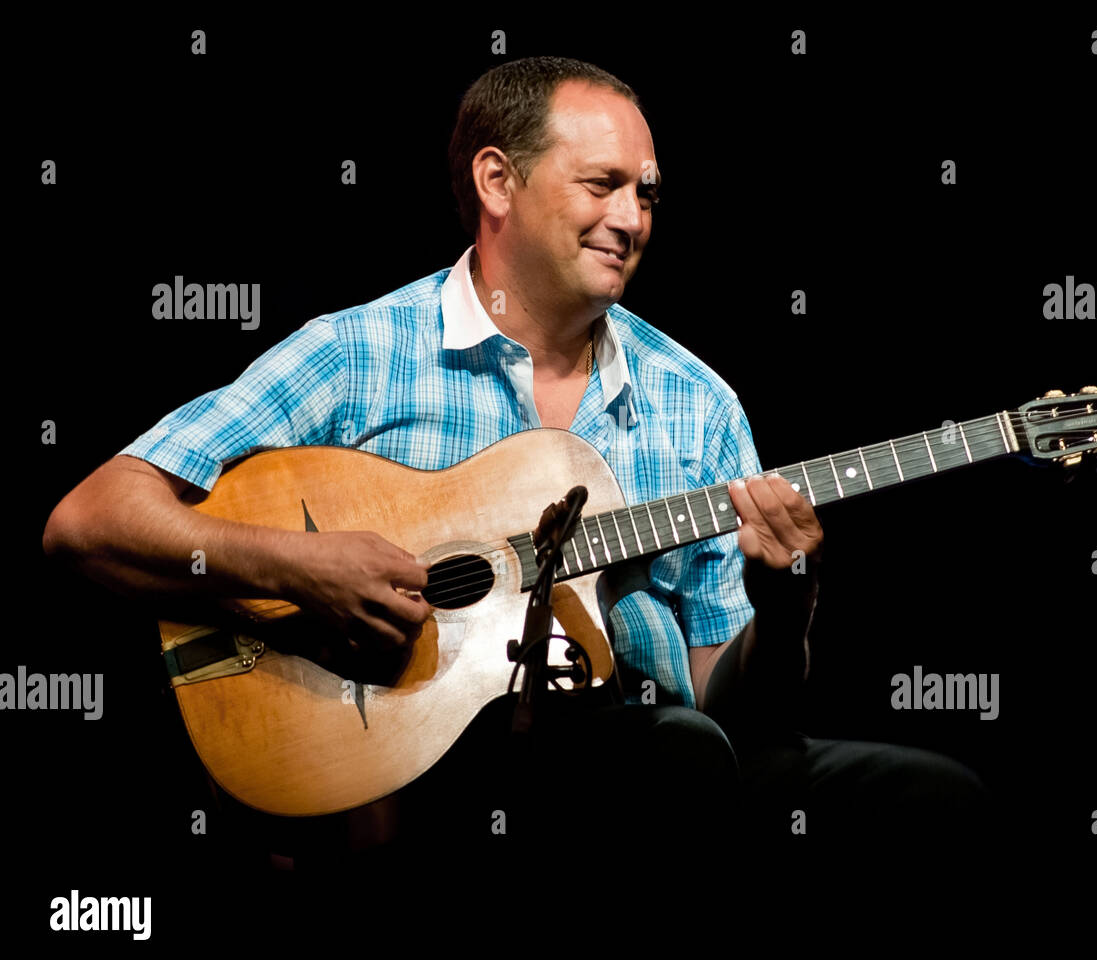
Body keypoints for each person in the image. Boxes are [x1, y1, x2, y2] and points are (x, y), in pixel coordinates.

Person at [42, 57, 988, 875]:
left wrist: (783, 607)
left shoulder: (697, 402)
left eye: (648, 193)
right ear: (498, 180)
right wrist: (301, 567)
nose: (633, 217)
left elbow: (727, 702)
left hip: (659, 763)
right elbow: (90, 520)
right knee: (675, 759)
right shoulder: (356, 354)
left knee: (933, 794)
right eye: (603, 184)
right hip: (437, 770)